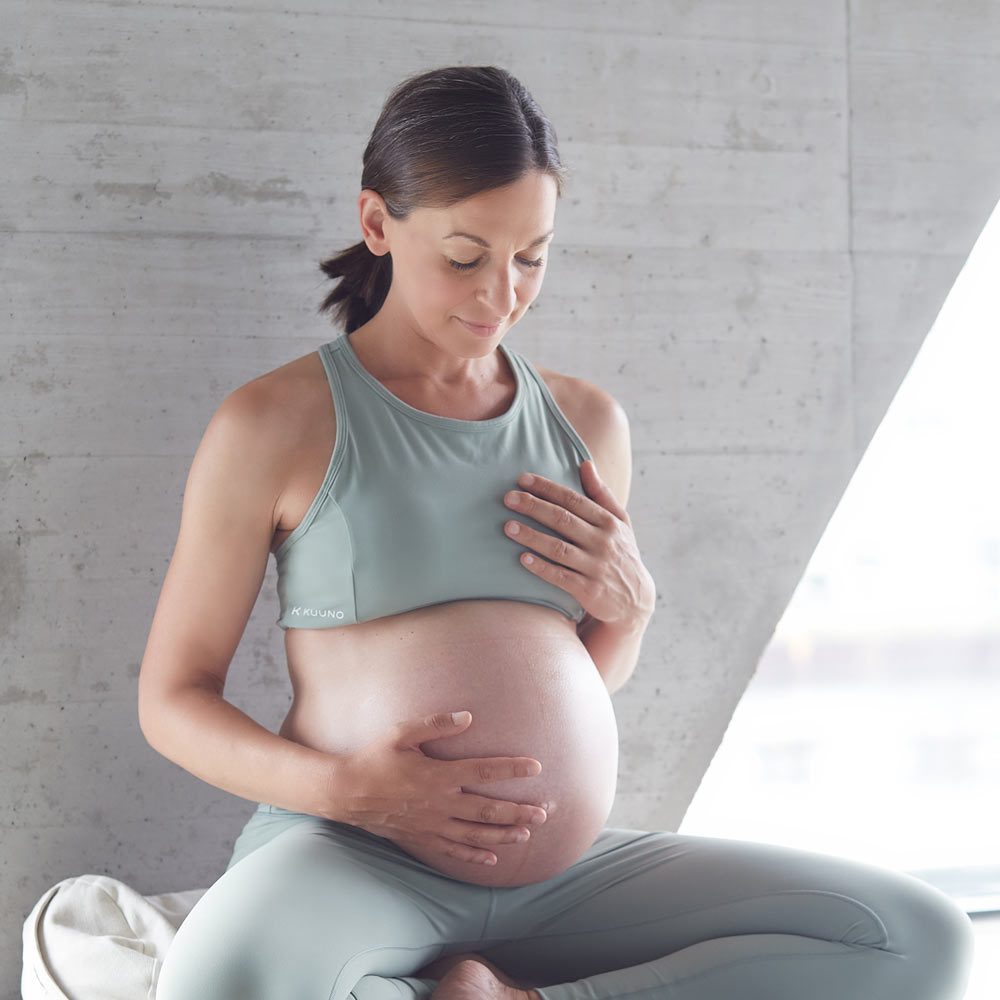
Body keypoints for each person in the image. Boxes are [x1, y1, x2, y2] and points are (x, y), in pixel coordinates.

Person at [141, 66, 973, 1000]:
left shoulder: (587, 425)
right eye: (466, 256)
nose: (502, 294)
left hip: (559, 881)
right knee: (213, 983)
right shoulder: (277, 423)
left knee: (914, 938)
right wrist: (350, 790)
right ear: (377, 223)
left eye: (532, 256)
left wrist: (633, 610)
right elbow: (173, 699)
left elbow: (583, 677)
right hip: (356, 852)